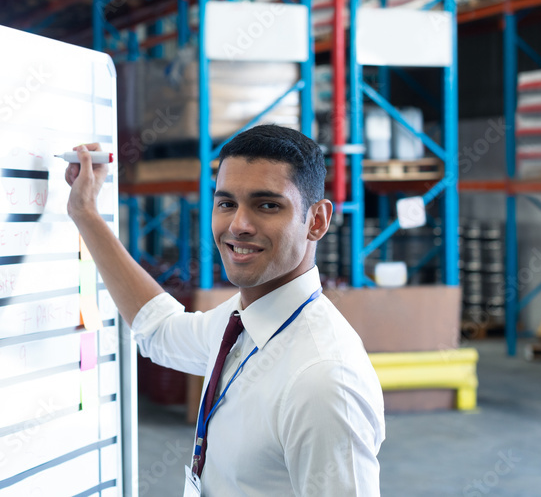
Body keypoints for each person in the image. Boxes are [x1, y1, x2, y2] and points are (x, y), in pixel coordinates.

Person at [65, 124, 384, 496]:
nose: (238, 225)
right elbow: (160, 330)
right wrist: (85, 213)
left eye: (268, 205)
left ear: (316, 221)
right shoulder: (241, 321)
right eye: (227, 203)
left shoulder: (323, 381)